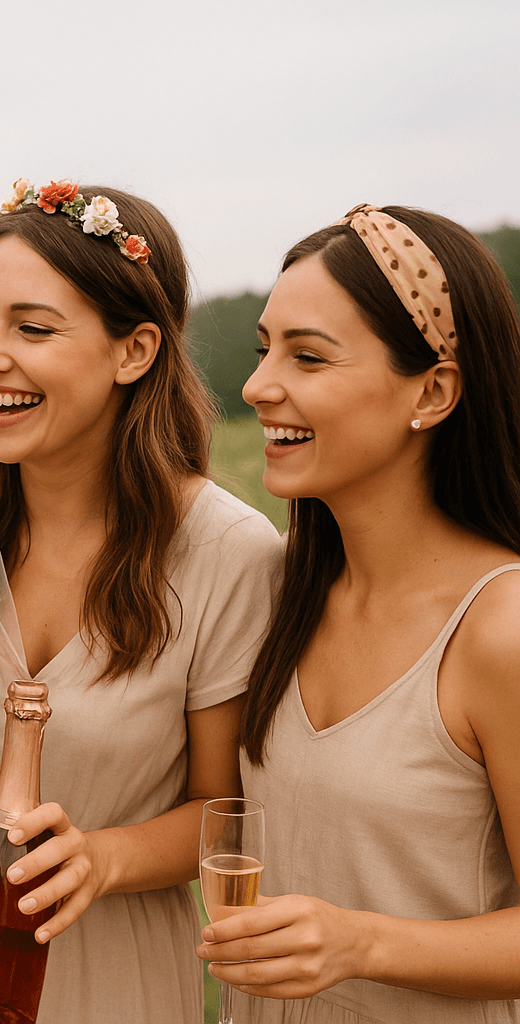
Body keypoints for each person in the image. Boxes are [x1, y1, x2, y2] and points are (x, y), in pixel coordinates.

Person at [0, 180, 282, 1021]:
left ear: (133, 352)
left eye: (32, 328)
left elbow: (226, 809)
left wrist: (99, 859)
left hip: (121, 977)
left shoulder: (228, 553)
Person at [199, 205, 520, 1023]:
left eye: (307, 356)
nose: (258, 384)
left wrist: (362, 944)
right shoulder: (284, 589)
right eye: (266, 346)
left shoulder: (500, 630)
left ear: (434, 390)